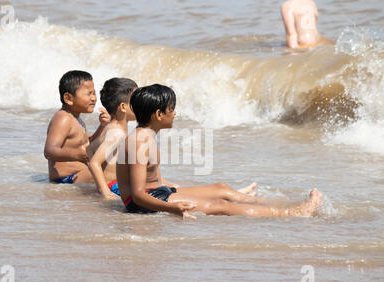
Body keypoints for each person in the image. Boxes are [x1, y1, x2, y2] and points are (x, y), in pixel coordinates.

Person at [116, 84, 323, 219]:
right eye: (171, 109)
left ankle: (281, 206)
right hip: (143, 204)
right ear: (159, 114)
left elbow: (150, 179)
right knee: (221, 205)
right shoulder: (140, 142)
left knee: (221, 188)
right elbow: (137, 194)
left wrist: (174, 188)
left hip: (158, 193)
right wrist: (173, 208)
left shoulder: (145, 134)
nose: (175, 113)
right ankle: (292, 212)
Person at [44, 70, 110, 184]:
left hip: (79, 175)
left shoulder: (77, 119)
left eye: (94, 93)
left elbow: (88, 144)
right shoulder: (63, 118)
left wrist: (102, 126)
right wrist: (76, 154)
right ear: (68, 98)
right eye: (89, 93)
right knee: (111, 169)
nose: (94, 98)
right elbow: (49, 151)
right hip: (66, 179)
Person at [87, 78, 139, 199]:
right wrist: (105, 192)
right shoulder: (117, 133)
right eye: (136, 101)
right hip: (116, 187)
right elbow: (94, 163)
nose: (141, 104)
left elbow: (89, 149)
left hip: (114, 184)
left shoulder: (111, 128)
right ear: (123, 107)